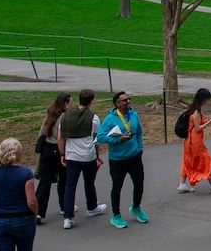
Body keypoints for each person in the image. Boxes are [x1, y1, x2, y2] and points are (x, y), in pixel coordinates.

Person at [95, 91, 147, 228]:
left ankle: (136, 207)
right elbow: (100, 137)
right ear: (117, 104)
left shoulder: (133, 115)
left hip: (134, 156)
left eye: (129, 99)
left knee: (139, 183)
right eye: (125, 100)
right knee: (117, 187)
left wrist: (140, 148)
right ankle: (116, 215)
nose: (128, 102)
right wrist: (118, 139)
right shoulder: (110, 119)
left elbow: (139, 132)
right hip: (118, 159)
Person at [59, 89, 107, 229]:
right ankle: (92, 207)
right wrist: (97, 155)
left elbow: (61, 138)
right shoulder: (94, 118)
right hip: (88, 155)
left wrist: (62, 154)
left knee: (70, 185)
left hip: (71, 155)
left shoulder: (66, 116)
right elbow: (96, 139)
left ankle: (68, 217)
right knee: (89, 182)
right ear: (91, 101)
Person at [33, 93, 70, 224]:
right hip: (59, 149)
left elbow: (42, 132)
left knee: (45, 182)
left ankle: (38, 212)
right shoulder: (65, 117)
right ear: (65, 104)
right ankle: (64, 207)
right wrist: (63, 154)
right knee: (63, 180)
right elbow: (63, 137)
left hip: (47, 150)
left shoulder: (50, 115)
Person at [178, 87, 211, 193]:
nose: (207, 101)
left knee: (187, 160)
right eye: (207, 99)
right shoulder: (196, 112)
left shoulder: (192, 109)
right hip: (195, 141)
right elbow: (197, 128)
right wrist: (208, 123)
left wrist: (206, 121)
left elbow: (194, 124)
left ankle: (182, 184)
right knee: (206, 160)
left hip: (189, 140)